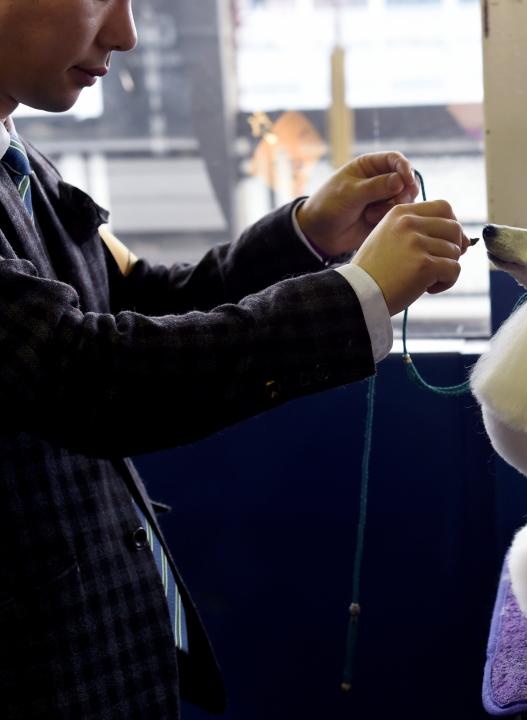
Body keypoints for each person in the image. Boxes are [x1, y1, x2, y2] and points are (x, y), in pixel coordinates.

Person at [0, 1, 471, 717]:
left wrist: (308, 235)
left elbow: (131, 304)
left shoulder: (18, 158)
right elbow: (87, 372)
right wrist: (357, 299)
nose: (124, 34)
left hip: (94, 658)